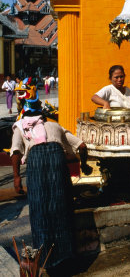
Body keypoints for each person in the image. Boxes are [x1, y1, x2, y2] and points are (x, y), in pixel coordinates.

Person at [10, 90, 92, 271]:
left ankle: (44, 258)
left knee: (40, 209)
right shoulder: (55, 126)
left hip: (37, 165)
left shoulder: (20, 126)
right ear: (43, 114)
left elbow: (16, 152)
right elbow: (82, 146)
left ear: (25, 112)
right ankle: (66, 255)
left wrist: (17, 178)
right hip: (57, 163)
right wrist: (84, 166)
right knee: (61, 206)